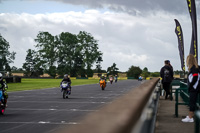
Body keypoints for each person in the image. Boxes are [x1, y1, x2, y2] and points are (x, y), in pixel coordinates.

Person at [182, 54, 200, 122]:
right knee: (192, 102)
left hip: (194, 88)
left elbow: (195, 77)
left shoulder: (194, 69)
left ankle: (190, 117)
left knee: (192, 102)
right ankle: (191, 116)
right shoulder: (196, 68)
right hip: (195, 88)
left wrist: (191, 85)